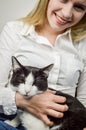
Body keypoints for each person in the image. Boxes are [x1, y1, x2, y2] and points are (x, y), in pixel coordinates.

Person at [0, 0, 86, 129]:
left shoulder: (83, 44)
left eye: (79, 7)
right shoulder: (15, 30)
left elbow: (83, 104)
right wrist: (23, 101)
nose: (67, 14)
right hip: (12, 121)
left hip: (62, 124)